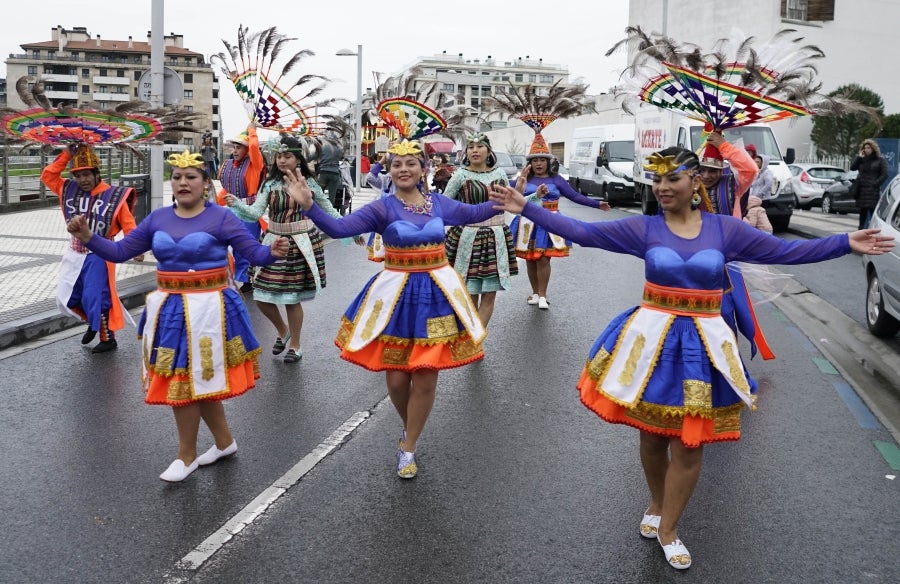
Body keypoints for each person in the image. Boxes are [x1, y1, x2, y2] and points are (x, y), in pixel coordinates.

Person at [488, 146, 894, 570]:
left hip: (704, 346)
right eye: (657, 180)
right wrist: (526, 209)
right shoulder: (644, 229)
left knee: (690, 441)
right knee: (651, 435)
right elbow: (582, 231)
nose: (662, 187)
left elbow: (784, 253)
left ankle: (669, 527)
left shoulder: (725, 230)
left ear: (695, 180)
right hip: (653, 344)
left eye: (672, 179)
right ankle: (657, 500)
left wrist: (845, 242)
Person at [281, 138, 502, 479]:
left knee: (426, 377)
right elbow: (340, 228)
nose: (404, 169)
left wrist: (517, 199)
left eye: (411, 163)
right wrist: (310, 206)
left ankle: (409, 445)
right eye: (397, 164)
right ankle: (408, 425)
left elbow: (476, 212)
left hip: (436, 296)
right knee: (398, 380)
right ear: (390, 170)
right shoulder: (381, 209)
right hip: (396, 297)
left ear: (422, 169)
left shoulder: (439, 203)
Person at [65, 150, 290, 482]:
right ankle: (224, 443)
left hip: (211, 309)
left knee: (191, 379)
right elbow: (121, 251)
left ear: (205, 183)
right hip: (170, 309)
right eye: (177, 177)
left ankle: (186, 456)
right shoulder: (157, 218)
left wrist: (272, 251)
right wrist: (88, 238)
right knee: (186, 376)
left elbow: (254, 253)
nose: (183, 182)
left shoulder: (222, 218)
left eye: (191, 177)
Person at [225, 135, 360, 363]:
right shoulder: (269, 184)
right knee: (260, 295)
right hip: (273, 243)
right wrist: (236, 204)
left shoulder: (309, 183)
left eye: (287, 156)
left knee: (291, 298)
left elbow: (327, 209)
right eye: (278, 156)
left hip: (300, 244)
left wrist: (351, 229)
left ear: (298, 159)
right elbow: (256, 213)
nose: (282, 160)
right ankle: (282, 330)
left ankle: (295, 345)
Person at [40, 144, 142, 353]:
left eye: (86, 175)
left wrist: (136, 248)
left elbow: (129, 224)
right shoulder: (68, 189)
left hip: (101, 253)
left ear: (97, 174)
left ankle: (108, 338)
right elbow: (48, 176)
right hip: (74, 252)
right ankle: (93, 323)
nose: (82, 180)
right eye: (78, 175)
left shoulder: (114, 197)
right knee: (70, 296)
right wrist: (67, 153)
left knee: (97, 295)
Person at [509, 133, 610, 310]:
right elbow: (507, 194)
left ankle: (543, 295)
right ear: (530, 163)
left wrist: (596, 204)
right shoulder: (524, 178)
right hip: (528, 222)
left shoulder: (557, 179)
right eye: (535, 160)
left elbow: (574, 196)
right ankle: (534, 293)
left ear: (549, 162)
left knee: (544, 259)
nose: (538, 164)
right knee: (530, 260)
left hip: (550, 222)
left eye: (542, 160)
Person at [442, 133, 518, 326]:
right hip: (467, 239)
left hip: (495, 239)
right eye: (471, 147)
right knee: (469, 293)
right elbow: (443, 205)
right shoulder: (460, 175)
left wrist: (533, 196)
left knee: (489, 295)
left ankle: (477, 340)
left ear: (488, 150)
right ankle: (469, 336)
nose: (475, 150)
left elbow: (511, 202)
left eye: (480, 146)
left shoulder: (500, 174)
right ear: (466, 152)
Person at [216, 126, 266, 291]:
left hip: (248, 211)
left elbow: (254, 147)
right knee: (229, 245)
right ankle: (227, 275)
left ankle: (248, 280)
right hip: (231, 212)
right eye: (234, 147)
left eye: (239, 147)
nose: (235, 150)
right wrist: (211, 204)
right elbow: (226, 190)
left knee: (246, 246)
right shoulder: (229, 164)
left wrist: (252, 131)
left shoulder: (254, 165)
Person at [698, 132, 758, 218]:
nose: (706, 176)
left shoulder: (734, 185)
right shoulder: (692, 186)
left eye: (712, 171)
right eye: (702, 170)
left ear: (721, 171)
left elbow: (751, 170)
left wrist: (724, 146)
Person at [850, 139, 889, 230]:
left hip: (872, 190)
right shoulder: (861, 160)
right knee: (862, 211)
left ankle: (876, 230)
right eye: (865, 148)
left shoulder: (880, 160)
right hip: (862, 189)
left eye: (869, 148)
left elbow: (885, 174)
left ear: (873, 149)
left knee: (873, 211)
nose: (867, 149)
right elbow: (852, 168)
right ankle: (861, 229)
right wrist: (859, 157)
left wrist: (876, 184)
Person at [316, 139, 344, 209]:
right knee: (332, 195)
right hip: (334, 173)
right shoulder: (339, 149)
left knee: (320, 193)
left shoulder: (322, 148)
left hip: (323, 173)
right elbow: (341, 157)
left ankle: (319, 210)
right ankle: (330, 212)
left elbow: (316, 158)